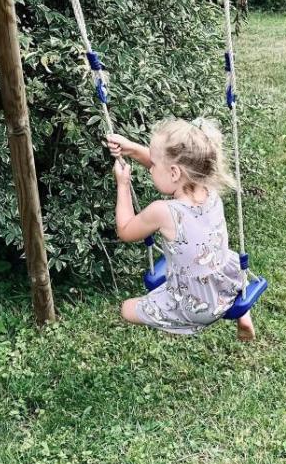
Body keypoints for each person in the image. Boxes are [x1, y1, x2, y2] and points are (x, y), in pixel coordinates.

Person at [108, 119, 256, 342]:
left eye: (153, 165)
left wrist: (122, 184)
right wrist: (133, 149)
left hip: (197, 305)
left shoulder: (163, 212)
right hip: (230, 282)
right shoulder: (209, 187)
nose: (150, 169)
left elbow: (125, 230)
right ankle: (243, 315)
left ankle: (179, 319)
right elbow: (168, 167)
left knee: (126, 309)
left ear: (174, 173)